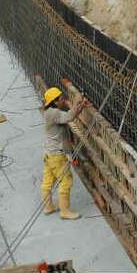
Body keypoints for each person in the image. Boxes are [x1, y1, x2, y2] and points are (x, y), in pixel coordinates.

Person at [40, 86, 89, 220]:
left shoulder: (48, 112)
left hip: (49, 154)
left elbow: (68, 116)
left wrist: (80, 107)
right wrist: (78, 103)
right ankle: (65, 211)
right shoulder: (54, 113)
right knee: (66, 181)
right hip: (57, 155)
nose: (63, 100)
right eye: (61, 98)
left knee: (47, 182)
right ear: (55, 102)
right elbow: (69, 117)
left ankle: (48, 207)